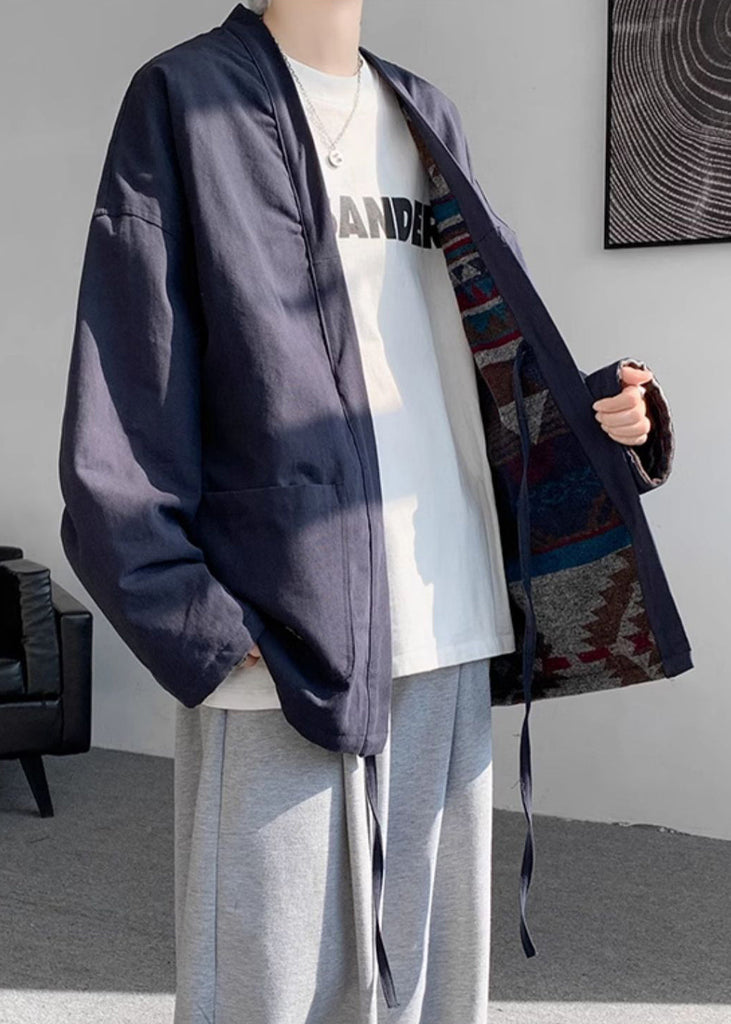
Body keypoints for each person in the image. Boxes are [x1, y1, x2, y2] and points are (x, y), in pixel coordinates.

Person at [58, 1, 693, 1021]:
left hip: (447, 617)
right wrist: (202, 624)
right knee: (264, 991)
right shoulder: (184, 98)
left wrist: (595, 414)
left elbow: (463, 362)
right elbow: (127, 393)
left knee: (430, 992)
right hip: (284, 631)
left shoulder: (423, 114)